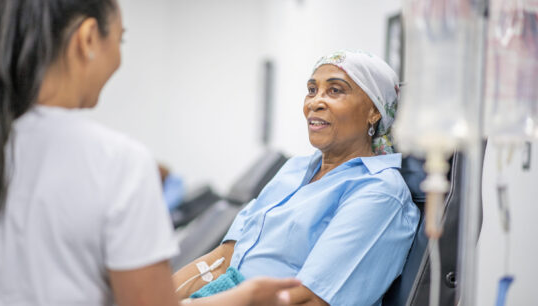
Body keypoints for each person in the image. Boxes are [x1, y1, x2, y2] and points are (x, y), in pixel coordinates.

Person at [0, 1, 299, 305]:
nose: (119, 56)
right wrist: (243, 299)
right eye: (120, 39)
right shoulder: (116, 163)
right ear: (87, 38)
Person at [173, 50, 420, 306]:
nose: (315, 102)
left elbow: (311, 299)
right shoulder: (294, 169)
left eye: (335, 90)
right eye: (312, 90)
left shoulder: (379, 193)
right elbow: (223, 259)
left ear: (374, 111)